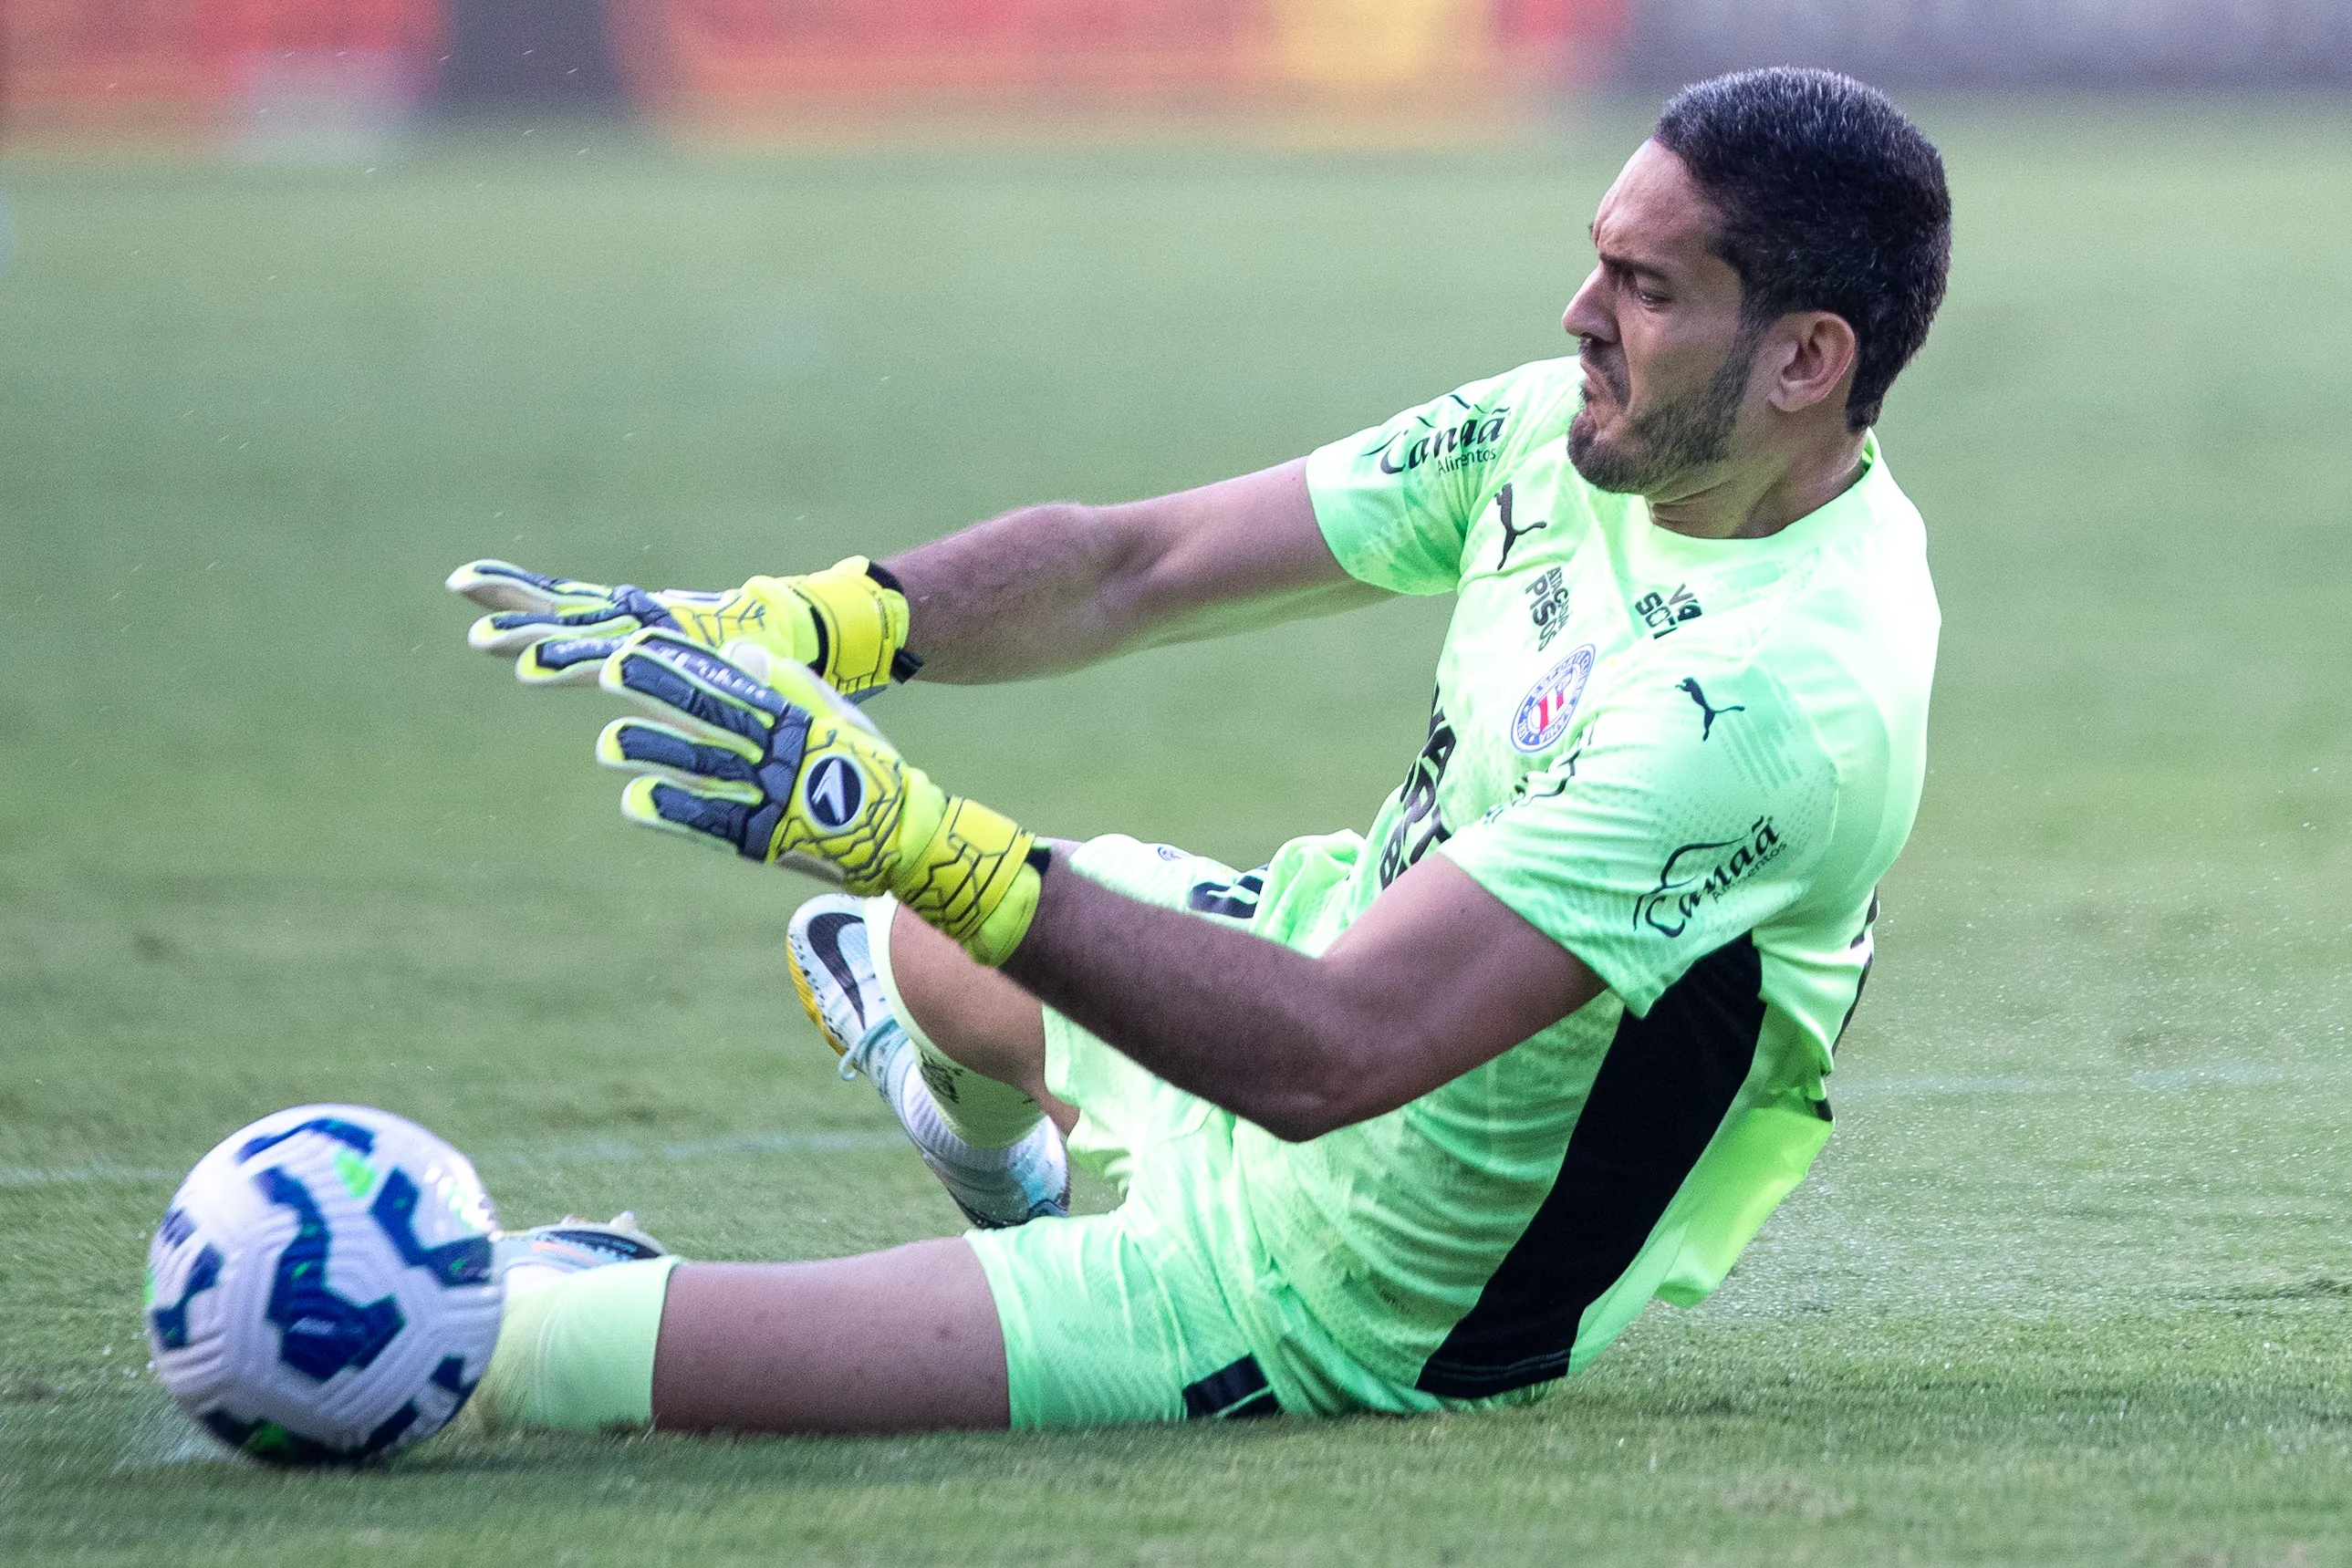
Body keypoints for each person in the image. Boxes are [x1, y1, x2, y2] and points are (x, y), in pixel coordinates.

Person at [452, 66, 1951, 1437]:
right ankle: (1009, 1178)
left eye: (1645, 287)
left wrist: (906, 830)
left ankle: (577, 1303)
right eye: (1597, 260)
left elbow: (1331, 1052)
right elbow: (1139, 564)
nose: (1577, 314)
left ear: (1803, 358)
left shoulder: (1771, 703)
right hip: (1306, 961)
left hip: (1332, 1289)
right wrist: (812, 622)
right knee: (919, 945)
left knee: (496, 1352)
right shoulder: (1570, 434)